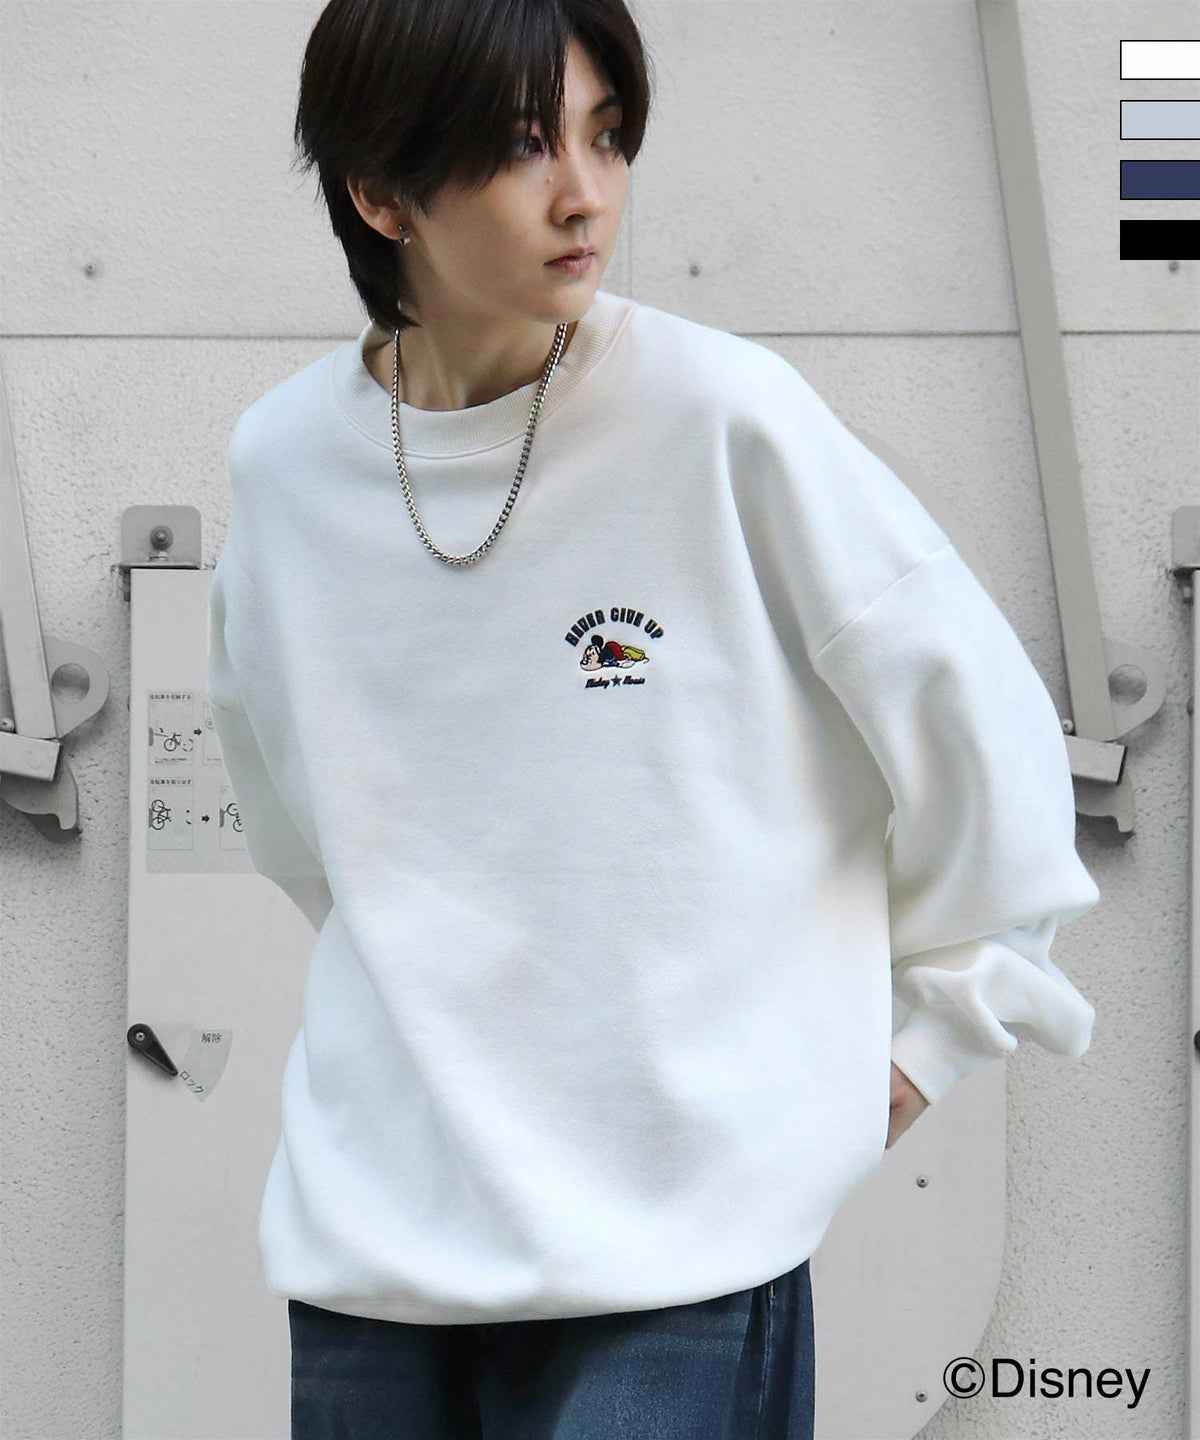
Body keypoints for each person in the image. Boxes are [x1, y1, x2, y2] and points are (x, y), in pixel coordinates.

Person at [205, 0, 1101, 1435]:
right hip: (374, 1248)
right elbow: (301, 830)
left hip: (679, 1257)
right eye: (524, 147)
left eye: (607, 136)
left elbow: (986, 748)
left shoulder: (723, 419)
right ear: (381, 192)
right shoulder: (286, 463)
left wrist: (922, 1047)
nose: (586, 194)